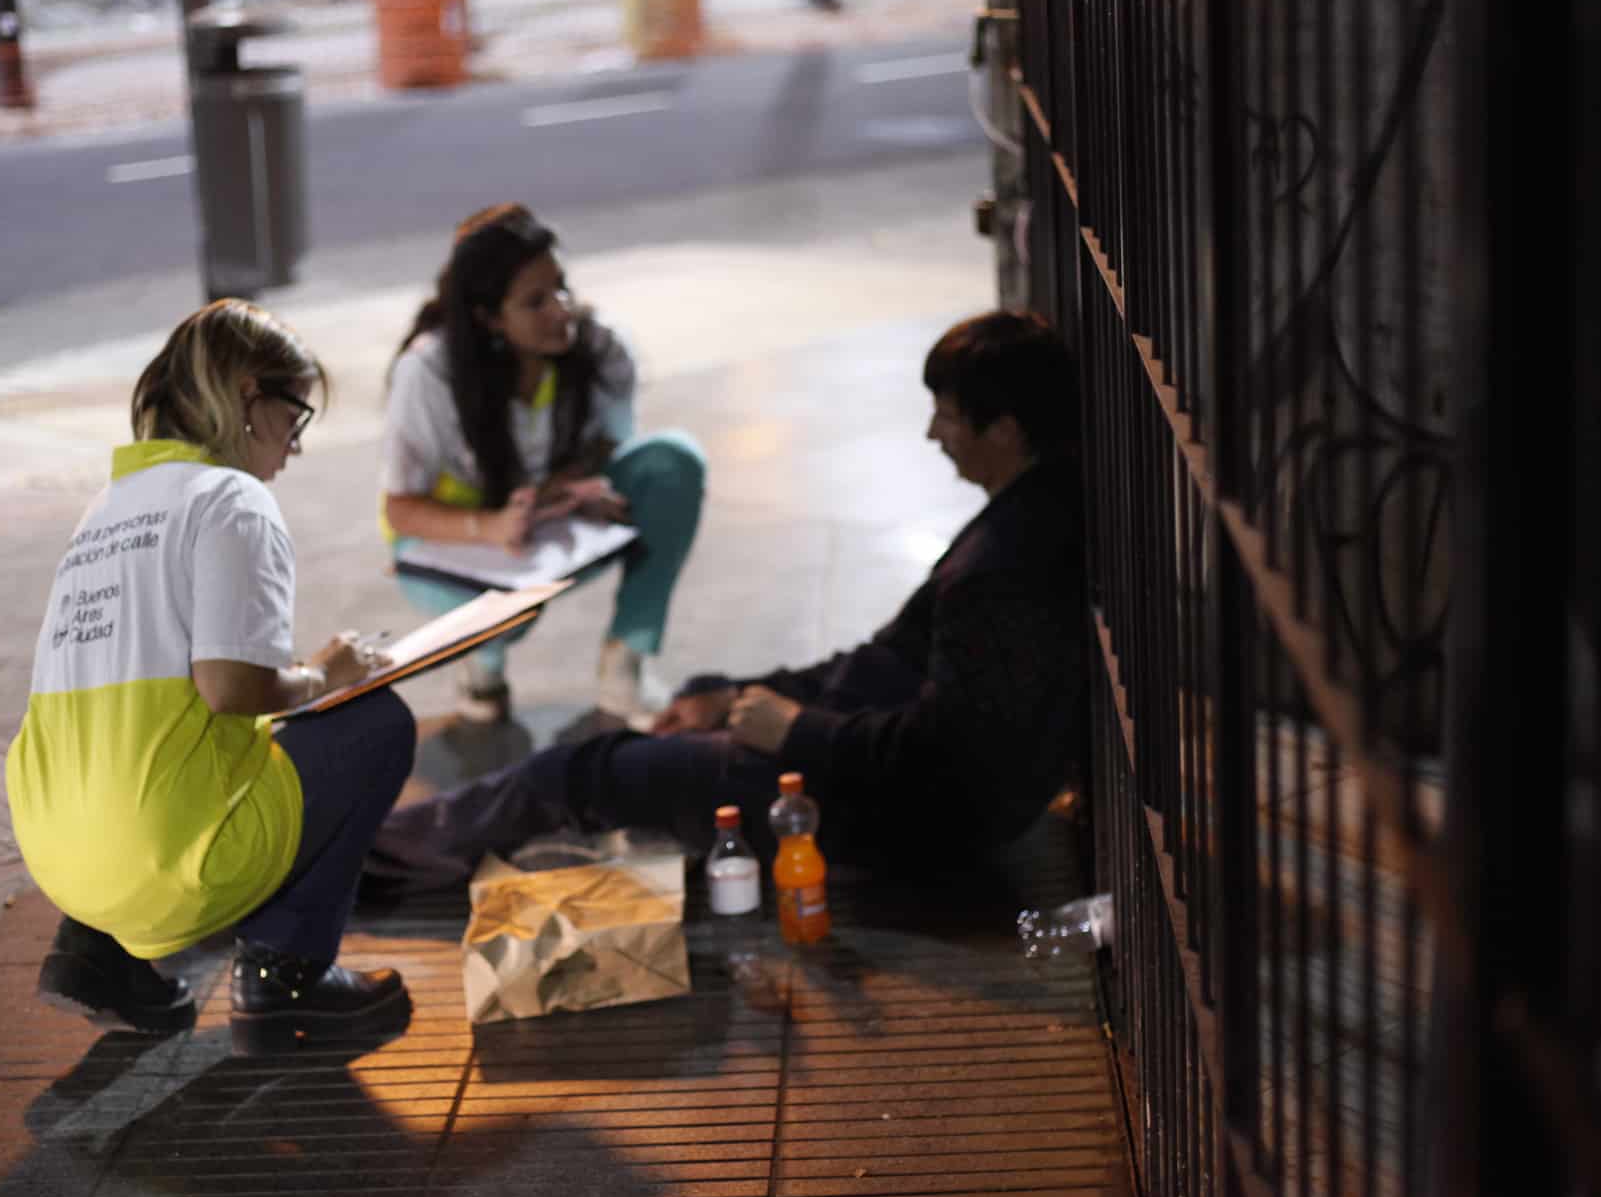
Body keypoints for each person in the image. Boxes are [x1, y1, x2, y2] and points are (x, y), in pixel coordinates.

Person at [365, 310, 1088, 890]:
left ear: (1006, 430)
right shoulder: (1026, 515)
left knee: (574, 769)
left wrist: (791, 727)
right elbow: (890, 662)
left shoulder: (1004, 569)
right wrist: (744, 697)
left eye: (951, 418)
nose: (934, 434)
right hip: (852, 744)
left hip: (869, 802)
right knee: (688, 705)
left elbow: (941, 758)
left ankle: (362, 858)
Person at [5, 299, 417, 1056]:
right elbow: (230, 687)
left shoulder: (110, 506)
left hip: (61, 858)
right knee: (375, 725)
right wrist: (324, 674)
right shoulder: (233, 500)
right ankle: (283, 981)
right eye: (296, 415)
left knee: (179, 748)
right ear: (248, 399)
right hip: (161, 862)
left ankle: (105, 955)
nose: (295, 445)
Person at [380, 203, 707, 727]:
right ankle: (481, 661)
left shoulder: (598, 343)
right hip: (456, 544)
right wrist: (493, 527)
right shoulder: (428, 373)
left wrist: (574, 484)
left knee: (672, 462)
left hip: (550, 523)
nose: (560, 310)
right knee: (505, 618)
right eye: (535, 302)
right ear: (488, 317)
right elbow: (401, 509)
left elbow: (611, 437)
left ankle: (625, 665)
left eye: (560, 287)